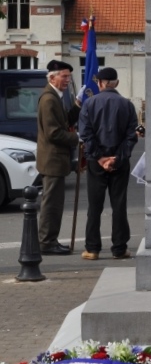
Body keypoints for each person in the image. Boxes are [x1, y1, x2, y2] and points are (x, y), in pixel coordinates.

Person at [78, 67, 138, 261]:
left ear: (100, 83)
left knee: (95, 205)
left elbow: (86, 134)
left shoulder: (89, 104)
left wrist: (100, 158)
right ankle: (119, 248)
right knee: (119, 204)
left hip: (97, 162)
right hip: (119, 162)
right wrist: (117, 158)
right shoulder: (127, 105)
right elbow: (131, 136)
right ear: (117, 83)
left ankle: (92, 248)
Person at [36, 60, 81, 254]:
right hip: (52, 160)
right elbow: (53, 133)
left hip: (55, 160)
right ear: (52, 77)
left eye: (69, 76)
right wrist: (77, 138)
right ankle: (46, 242)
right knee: (52, 204)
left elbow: (63, 123)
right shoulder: (49, 99)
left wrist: (77, 106)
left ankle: (50, 240)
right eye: (64, 76)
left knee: (55, 202)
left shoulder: (56, 96)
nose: (67, 80)